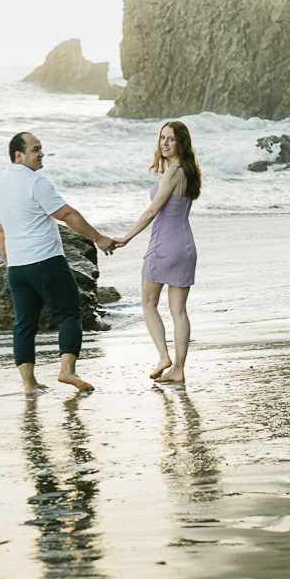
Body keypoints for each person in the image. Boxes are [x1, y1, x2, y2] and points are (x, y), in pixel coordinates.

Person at [0, 131, 120, 396]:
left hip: (17, 268)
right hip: (46, 262)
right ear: (19, 155)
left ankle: (29, 384)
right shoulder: (36, 183)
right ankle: (67, 370)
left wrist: (10, 264)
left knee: (24, 324)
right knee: (70, 313)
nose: (41, 154)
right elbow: (67, 214)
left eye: (41, 149)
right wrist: (99, 238)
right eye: (36, 149)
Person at [117, 120, 202, 384]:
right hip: (186, 246)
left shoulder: (172, 172)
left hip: (164, 245)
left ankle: (164, 356)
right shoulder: (190, 171)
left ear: (181, 143)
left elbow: (153, 211)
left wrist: (127, 237)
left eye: (171, 139)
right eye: (162, 138)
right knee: (179, 312)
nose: (164, 143)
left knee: (148, 303)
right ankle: (178, 370)